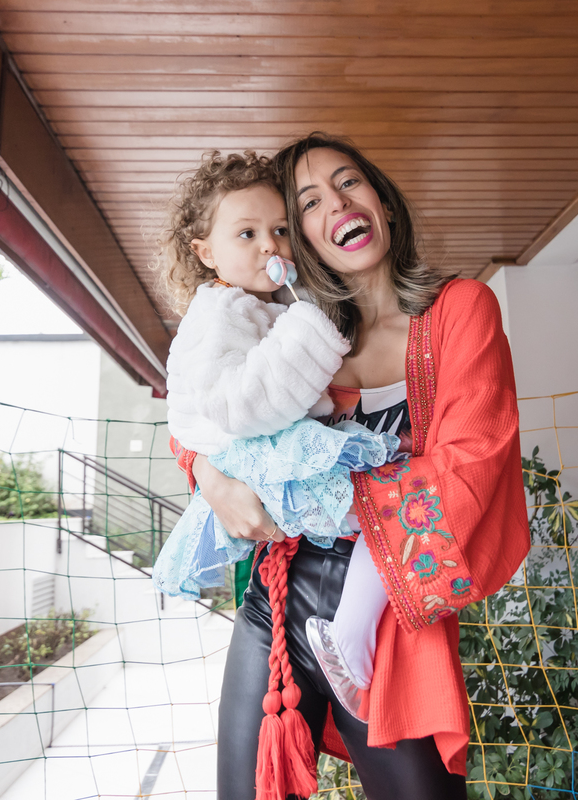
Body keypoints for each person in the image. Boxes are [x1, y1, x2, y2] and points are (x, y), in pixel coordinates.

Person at [185, 134, 529, 800]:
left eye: (349, 183)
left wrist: (333, 496)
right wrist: (208, 473)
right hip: (278, 604)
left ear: (383, 205)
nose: (336, 203)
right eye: (309, 201)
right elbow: (205, 408)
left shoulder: (459, 311)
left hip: (389, 615)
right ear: (300, 239)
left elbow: (472, 464)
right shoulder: (295, 332)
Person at [150, 150, 399, 725]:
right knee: (386, 510)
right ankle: (352, 639)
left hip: (261, 468)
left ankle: (349, 635)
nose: (270, 245)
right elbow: (242, 403)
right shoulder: (219, 313)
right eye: (247, 233)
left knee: (381, 511)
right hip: (256, 462)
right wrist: (312, 325)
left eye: (280, 229)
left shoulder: (252, 306)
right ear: (205, 252)